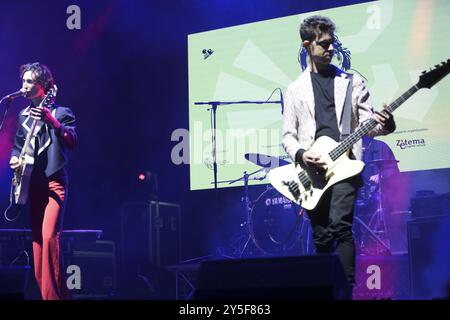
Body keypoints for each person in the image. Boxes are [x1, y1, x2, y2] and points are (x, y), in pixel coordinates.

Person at [282, 15, 396, 286]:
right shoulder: (295, 89)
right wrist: (301, 155)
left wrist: (387, 124)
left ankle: (346, 291)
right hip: (314, 171)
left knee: (341, 227)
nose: (331, 49)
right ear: (308, 45)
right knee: (321, 236)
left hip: (347, 165)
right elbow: (288, 137)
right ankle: (327, 291)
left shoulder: (351, 82)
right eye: (324, 44)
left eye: (332, 43)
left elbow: (370, 126)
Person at [9, 62, 77, 300]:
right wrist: (15, 160)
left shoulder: (61, 112)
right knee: (37, 245)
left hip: (54, 183)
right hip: (32, 186)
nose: (24, 86)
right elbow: (18, 146)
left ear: (44, 86)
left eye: (29, 82)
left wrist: (53, 122)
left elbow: (72, 141)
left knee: (49, 238)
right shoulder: (23, 115)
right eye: (23, 81)